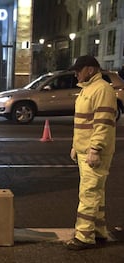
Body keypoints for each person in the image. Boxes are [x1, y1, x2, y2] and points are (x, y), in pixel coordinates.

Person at [65, 55, 116, 250]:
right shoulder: (89, 89)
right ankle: (98, 230)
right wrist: (75, 147)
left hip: (93, 153)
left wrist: (95, 149)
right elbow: (84, 124)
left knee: (88, 193)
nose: (76, 73)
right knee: (97, 193)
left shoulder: (102, 90)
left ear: (91, 70)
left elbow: (102, 124)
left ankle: (84, 235)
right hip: (85, 150)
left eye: (79, 70)